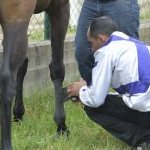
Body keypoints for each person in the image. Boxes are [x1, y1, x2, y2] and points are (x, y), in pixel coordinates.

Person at [68, 16, 150, 150]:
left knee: (92, 108)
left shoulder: (106, 52)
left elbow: (96, 99)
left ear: (101, 38)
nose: (92, 49)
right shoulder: (136, 44)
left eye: (91, 43)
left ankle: (144, 140)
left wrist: (82, 90)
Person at [75, 0, 140, 86]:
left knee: (129, 54)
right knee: (82, 52)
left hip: (122, 2)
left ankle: (132, 96)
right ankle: (92, 93)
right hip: (91, 3)